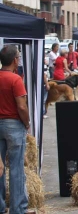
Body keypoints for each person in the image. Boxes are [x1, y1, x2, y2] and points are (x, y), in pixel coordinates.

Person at [0, 45, 31, 213]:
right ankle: (17, 208)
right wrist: (26, 123)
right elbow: (22, 106)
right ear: (15, 60)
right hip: (13, 124)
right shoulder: (15, 79)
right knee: (16, 168)